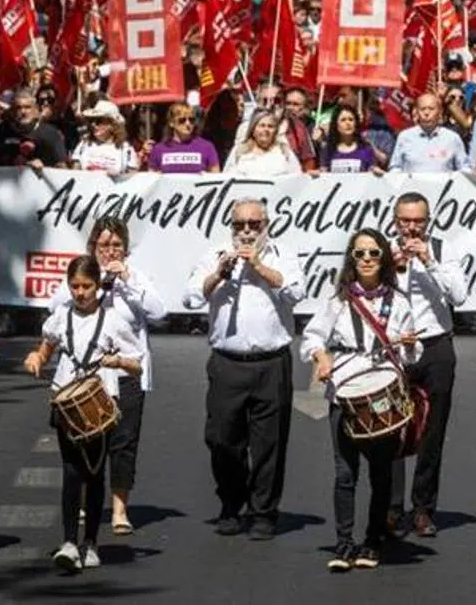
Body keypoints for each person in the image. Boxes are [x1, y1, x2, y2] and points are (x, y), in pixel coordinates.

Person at [183, 198, 306, 539]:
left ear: (266, 225)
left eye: (255, 225)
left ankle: (263, 510)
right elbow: (191, 297)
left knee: (269, 443)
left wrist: (260, 268)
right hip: (227, 363)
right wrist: (218, 276)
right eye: (240, 225)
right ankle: (230, 500)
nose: (247, 232)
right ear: (231, 227)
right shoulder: (215, 255)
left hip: (270, 362)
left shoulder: (283, 254)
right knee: (221, 439)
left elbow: (297, 292)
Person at [301, 229, 420, 572]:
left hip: (382, 390)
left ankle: (372, 541)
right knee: (344, 472)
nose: (367, 259)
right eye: (359, 254)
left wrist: (408, 345)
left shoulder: (398, 303)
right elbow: (312, 336)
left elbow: (413, 356)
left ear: (383, 258)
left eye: (373, 253)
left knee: (381, 472)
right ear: (351, 259)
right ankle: (343, 543)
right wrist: (321, 358)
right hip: (345, 391)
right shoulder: (338, 300)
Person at [25, 256, 144, 573]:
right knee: (70, 472)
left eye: (86, 286)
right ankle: (68, 542)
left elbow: (137, 363)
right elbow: (46, 347)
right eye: (74, 286)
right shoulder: (60, 316)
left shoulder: (113, 320)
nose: (80, 292)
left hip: (99, 403)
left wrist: (118, 363)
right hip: (65, 400)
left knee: (93, 473)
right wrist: (36, 358)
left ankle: (90, 543)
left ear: (97, 285)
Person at [49, 218, 165, 535]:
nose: (110, 251)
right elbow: (54, 309)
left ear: (125, 249)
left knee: (123, 443)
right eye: (104, 246)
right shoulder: (83, 278)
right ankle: (86, 502)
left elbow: (159, 312)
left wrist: (125, 279)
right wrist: (89, 288)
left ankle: (119, 509)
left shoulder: (135, 277)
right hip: (86, 378)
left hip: (125, 372)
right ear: (93, 248)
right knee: (85, 441)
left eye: (116, 246)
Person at [387, 193, 468, 537]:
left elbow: (460, 296)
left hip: (435, 346)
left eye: (418, 220)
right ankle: (390, 507)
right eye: (405, 220)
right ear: (395, 220)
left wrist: (430, 261)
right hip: (396, 348)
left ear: (429, 220)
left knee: (432, 431)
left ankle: (422, 507)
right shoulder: (381, 248)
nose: (411, 227)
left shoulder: (443, 249)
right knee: (390, 428)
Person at [0, 86, 68, 168]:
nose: (23, 112)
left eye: (27, 107)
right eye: (18, 108)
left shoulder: (51, 134)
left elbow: (62, 166)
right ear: (11, 111)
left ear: (35, 109)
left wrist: (44, 166)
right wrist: (10, 161)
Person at [388, 94, 470, 173]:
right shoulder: (405, 137)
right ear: (417, 112)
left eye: (431, 109)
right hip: (412, 187)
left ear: (439, 112)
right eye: (422, 109)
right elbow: (395, 167)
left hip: (443, 186)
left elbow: (465, 169)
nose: (426, 113)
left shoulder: (452, 138)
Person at [223, 110, 302, 176]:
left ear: (275, 131)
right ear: (253, 129)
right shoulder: (240, 151)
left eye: (270, 126)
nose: (266, 129)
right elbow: (227, 176)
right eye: (262, 126)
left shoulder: (284, 151)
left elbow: (296, 176)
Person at [146, 104, 221, 173]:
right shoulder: (158, 149)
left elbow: (216, 177)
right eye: (182, 120)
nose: (188, 124)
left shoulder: (207, 147)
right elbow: (151, 179)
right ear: (171, 123)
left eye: (191, 120)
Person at [71, 100, 139, 175]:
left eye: (99, 121)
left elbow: (132, 178)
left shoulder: (125, 149)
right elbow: (75, 174)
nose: (93, 125)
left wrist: (118, 176)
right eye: (92, 121)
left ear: (112, 125)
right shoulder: (83, 145)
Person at [319, 104, 379, 173]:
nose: (348, 123)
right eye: (343, 120)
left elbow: (371, 172)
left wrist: (376, 171)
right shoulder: (328, 150)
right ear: (336, 125)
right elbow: (323, 175)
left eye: (351, 120)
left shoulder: (366, 149)